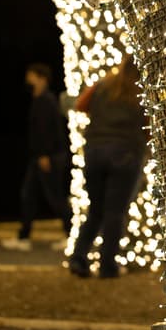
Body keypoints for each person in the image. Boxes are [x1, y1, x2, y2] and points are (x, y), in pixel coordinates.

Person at [68, 54, 147, 278]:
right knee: (115, 213)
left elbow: (80, 104)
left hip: (96, 151)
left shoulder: (103, 85)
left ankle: (79, 258)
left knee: (95, 210)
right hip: (126, 154)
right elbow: (150, 126)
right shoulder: (141, 91)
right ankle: (107, 265)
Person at [4, 63, 71, 251]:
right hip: (40, 157)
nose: (28, 79)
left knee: (55, 197)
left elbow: (46, 131)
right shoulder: (39, 100)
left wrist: (44, 155)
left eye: (31, 75)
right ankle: (23, 236)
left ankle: (71, 234)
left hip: (48, 157)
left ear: (42, 78)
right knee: (29, 195)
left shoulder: (46, 101)